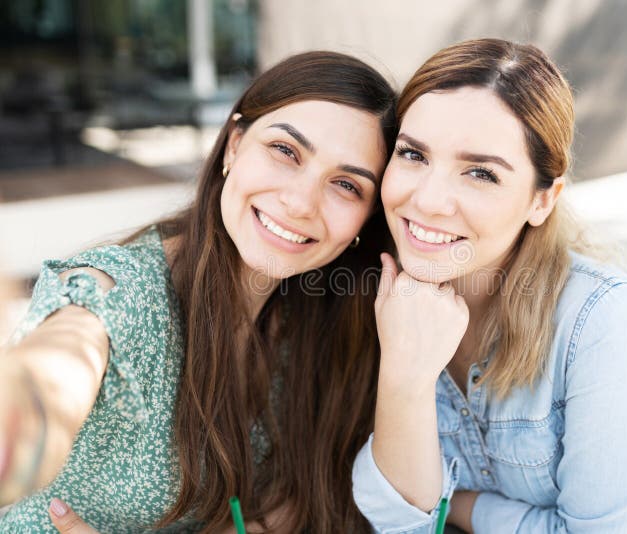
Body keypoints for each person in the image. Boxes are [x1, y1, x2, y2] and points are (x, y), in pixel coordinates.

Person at [0, 50, 396, 533]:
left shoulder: (319, 322)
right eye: (285, 151)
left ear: (366, 220)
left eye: (346, 185)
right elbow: (50, 385)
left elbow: (297, 497)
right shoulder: (117, 291)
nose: (299, 202)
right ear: (233, 145)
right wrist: (20, 420)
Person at [352, 38, 627, 533]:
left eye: (480, 172)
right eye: (413, 155)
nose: (429, 199)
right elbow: (396, 522)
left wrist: (461, 505)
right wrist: (405, 372)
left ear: (542, 201)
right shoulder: (367, 287)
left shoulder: (603, 321)